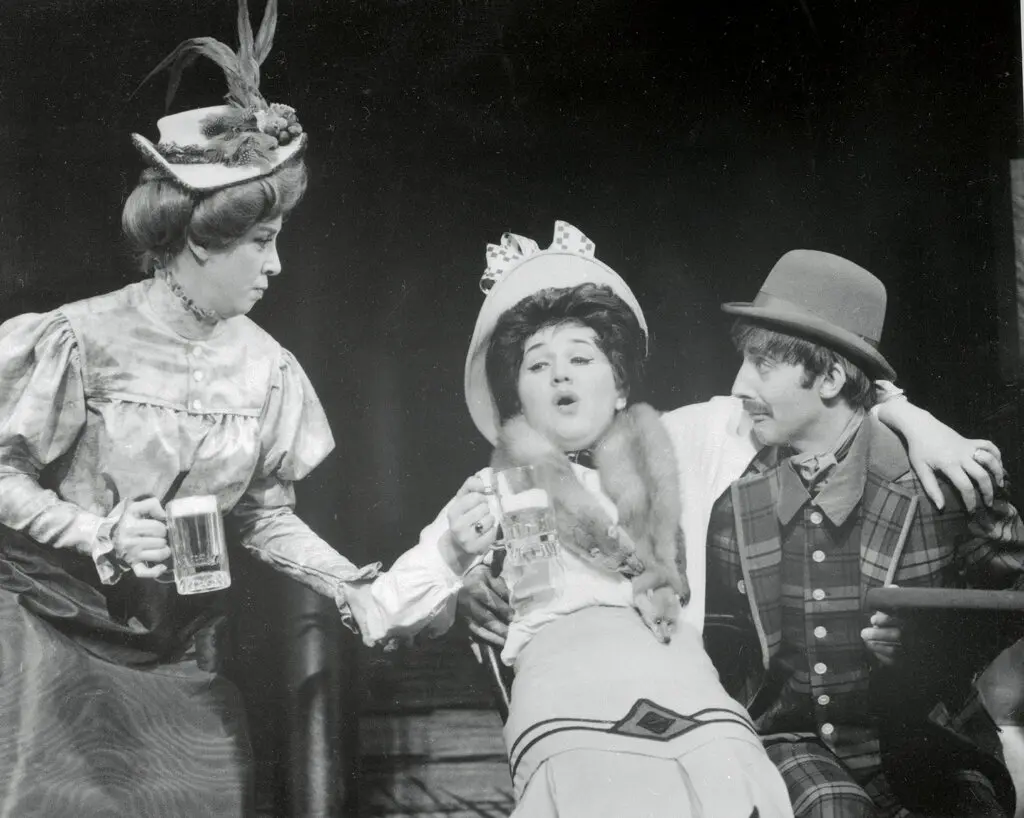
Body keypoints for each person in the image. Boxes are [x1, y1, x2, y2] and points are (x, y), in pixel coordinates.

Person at [0, 3, 483, 813]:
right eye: (261, 242)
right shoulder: (79, 340)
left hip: (176, 651)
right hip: (49, 629)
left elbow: (261, 514)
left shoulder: (267, 369)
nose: (278, 265)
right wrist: (93, 531)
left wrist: (347, 583)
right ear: (199, 239)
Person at [704, 249, 1024, 817]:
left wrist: (929, 650)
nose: (737, 383)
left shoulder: (935, 481)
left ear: (829, 377)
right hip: (794, 741)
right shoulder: (735, 495)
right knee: (834, 810)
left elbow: (1008, 602)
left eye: (763, 364)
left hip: (929, 737)